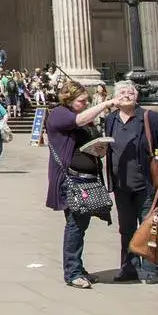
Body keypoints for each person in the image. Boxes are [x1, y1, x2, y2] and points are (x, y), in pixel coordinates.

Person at [45, 80, 113, 288]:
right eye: (82, 101)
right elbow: (80, 119)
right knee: (75, 225)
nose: (85, 104)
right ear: (69, 99)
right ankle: (72, 272)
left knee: (80, 225)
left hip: (86, 179)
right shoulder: (59, 114)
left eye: (87, 101)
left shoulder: (78, 117)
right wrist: (107, 103)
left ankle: (77, 268)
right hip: (71, 180)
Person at [103, 81, 158, 284]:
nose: (126, 95)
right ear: (114, 96)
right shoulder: (111, 119)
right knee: (126, 228)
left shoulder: (150, 118)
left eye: (130, 92)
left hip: (147, 184)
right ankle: (129, 267)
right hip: (121, 184)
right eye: (122, 92)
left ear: (137, 96)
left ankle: (151, 269)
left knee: (150, 227)